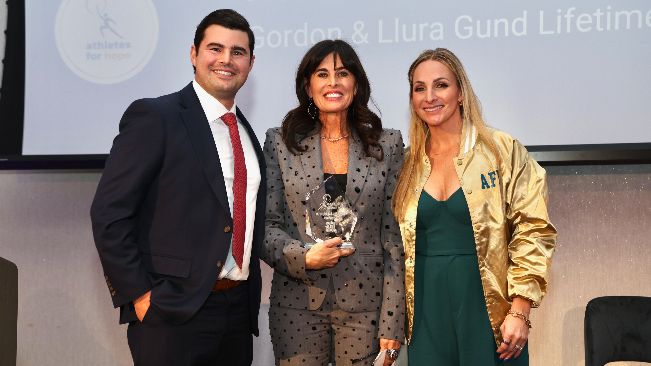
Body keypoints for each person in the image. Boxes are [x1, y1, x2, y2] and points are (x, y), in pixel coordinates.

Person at [90, 9, 265, 366]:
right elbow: (109, 213)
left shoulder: (246, 133)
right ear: (193, 54)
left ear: (250, 62)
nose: (226, 60)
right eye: (215, 48)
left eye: (238, 51)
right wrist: (139, 294)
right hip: (172, 313)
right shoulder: (157, 117)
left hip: (237, 312)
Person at [392, 48, 557, 365]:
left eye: (441, 85)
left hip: (489, 311)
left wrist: (520, 309)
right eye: (419, 88)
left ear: (461, 93)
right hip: (425, 311)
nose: (430, 96)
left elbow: (533, 229)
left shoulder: (501, 150)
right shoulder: (404, 164)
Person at [261, 39, 405, 366]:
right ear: (308, 86)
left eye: (342, 73)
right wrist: (304, 257)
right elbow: (267, 226)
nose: (333, 83)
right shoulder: (280, 142)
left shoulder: (388, 144)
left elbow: (393, 238)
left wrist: (392, 320)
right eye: (322, 74)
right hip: (297, 303)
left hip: (366, 306)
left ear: (357, 83)